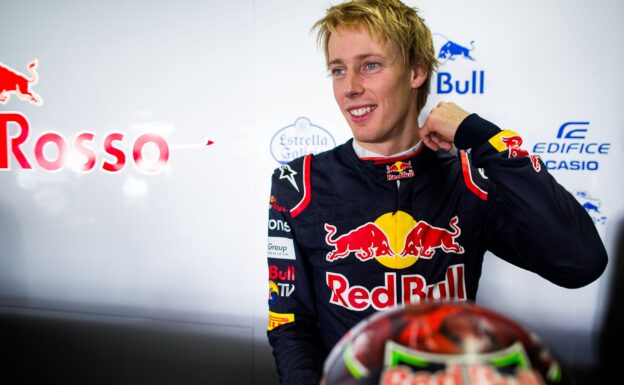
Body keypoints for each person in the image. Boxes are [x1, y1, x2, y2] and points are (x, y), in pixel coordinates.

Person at [265, 1, 607, 384]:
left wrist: (482, 137)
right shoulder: (299, 182)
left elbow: (581, 262)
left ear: (416, 71)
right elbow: (289, 322)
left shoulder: (471, 177)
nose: (350, 88)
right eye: (338, 70)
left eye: (370, 65)